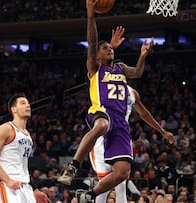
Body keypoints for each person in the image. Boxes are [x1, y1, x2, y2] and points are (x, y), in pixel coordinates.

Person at [58, 0, 154, 201]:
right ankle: (73, 166)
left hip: (120, 122)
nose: (108, 48)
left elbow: (137, 72)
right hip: (100, 111)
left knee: (122, 173)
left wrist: (142, 56)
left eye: (110, 47)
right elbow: (92, 42)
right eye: (105, 48)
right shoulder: (95, 67)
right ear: (98, 55)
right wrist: (91, 16)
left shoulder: (120, 68)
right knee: (102, 124)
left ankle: (89, 196)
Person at [91, 85, 174, 203]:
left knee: (121, 183)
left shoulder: (131, 92)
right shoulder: (100, 83)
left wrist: (162, 131)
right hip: (103, 139)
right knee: (105, 185)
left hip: (121, 138)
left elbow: (144, 113)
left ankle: (89, 195)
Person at [0, 93, 51, 203]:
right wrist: (8, 180)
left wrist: (35, 189)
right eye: (23, 103)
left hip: (25, 186)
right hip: (7, 184)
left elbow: (22, 166)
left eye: (28, 104)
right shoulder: (5, 128)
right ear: (14, 109)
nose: (28, 106)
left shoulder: (28, 135)